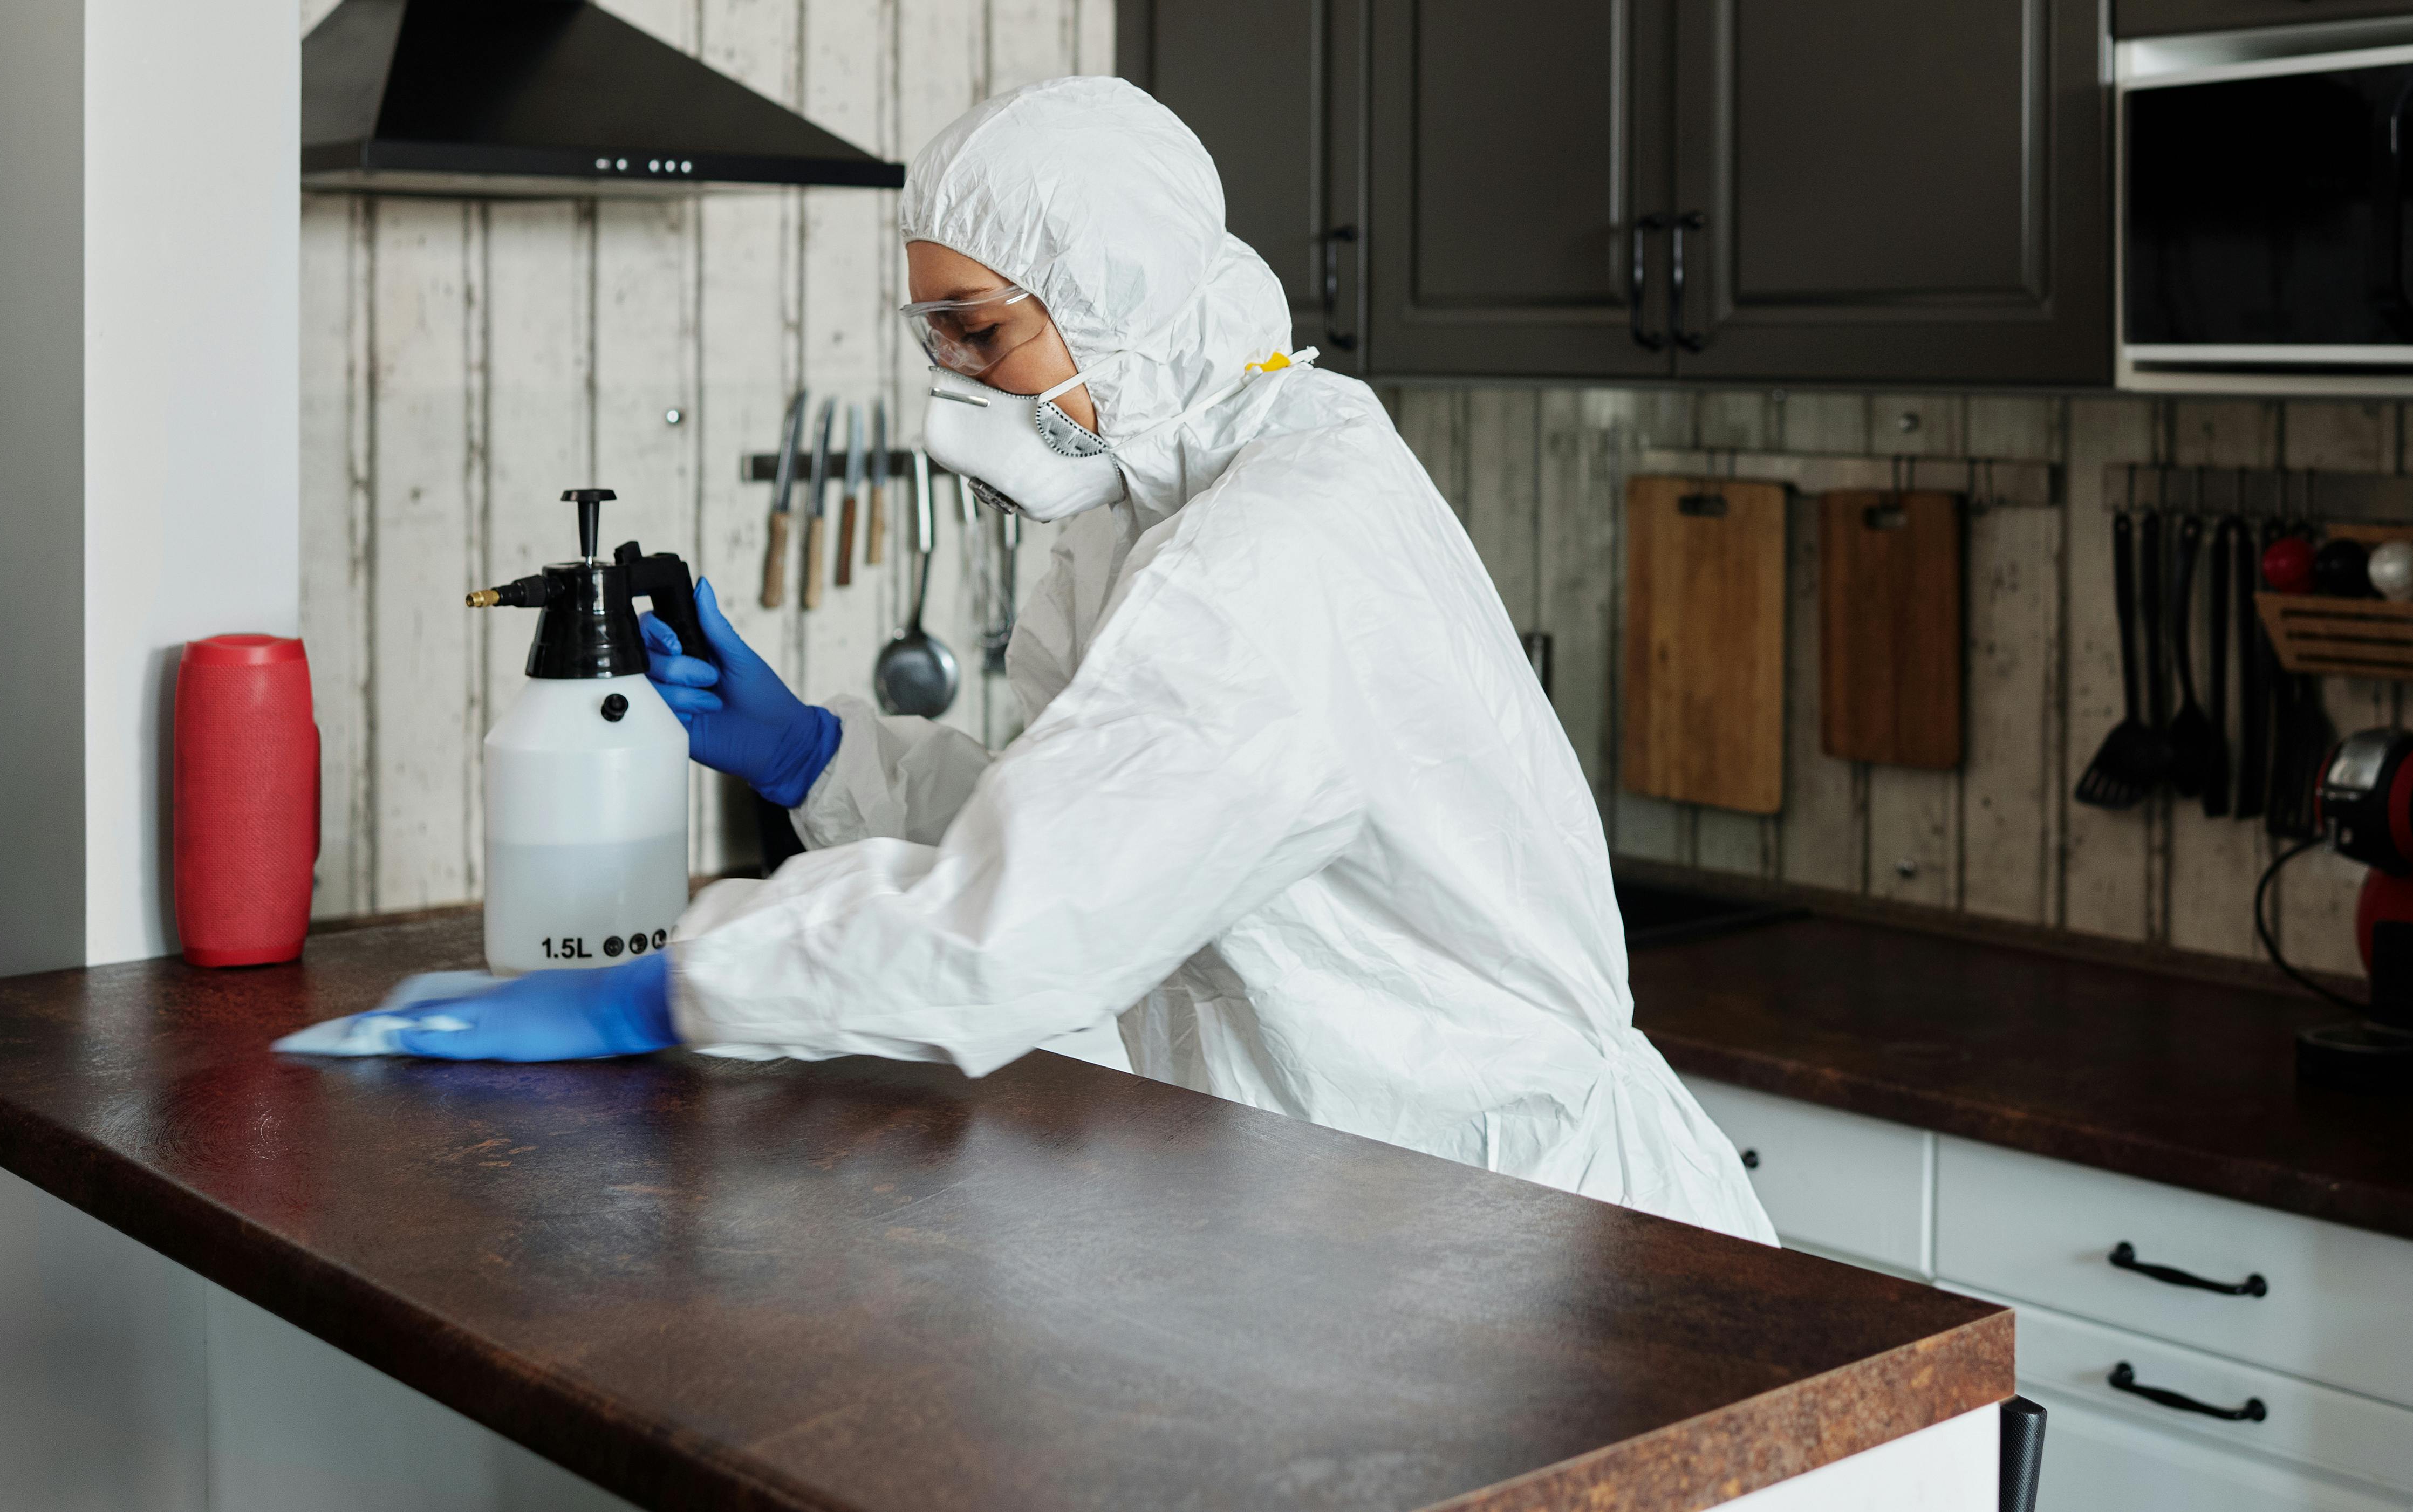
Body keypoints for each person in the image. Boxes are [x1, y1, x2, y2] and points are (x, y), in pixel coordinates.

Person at [353, 77, 1773, 1244]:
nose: (954, 391)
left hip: (1532, 1236)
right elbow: (1068, 809)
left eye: (983, 334)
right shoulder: (1143, 505)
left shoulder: (1274, 552)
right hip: (1358, 1209)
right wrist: (821, 756)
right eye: (938, 340)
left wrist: (663, 986)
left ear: (1120, 298)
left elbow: (1019, 924)